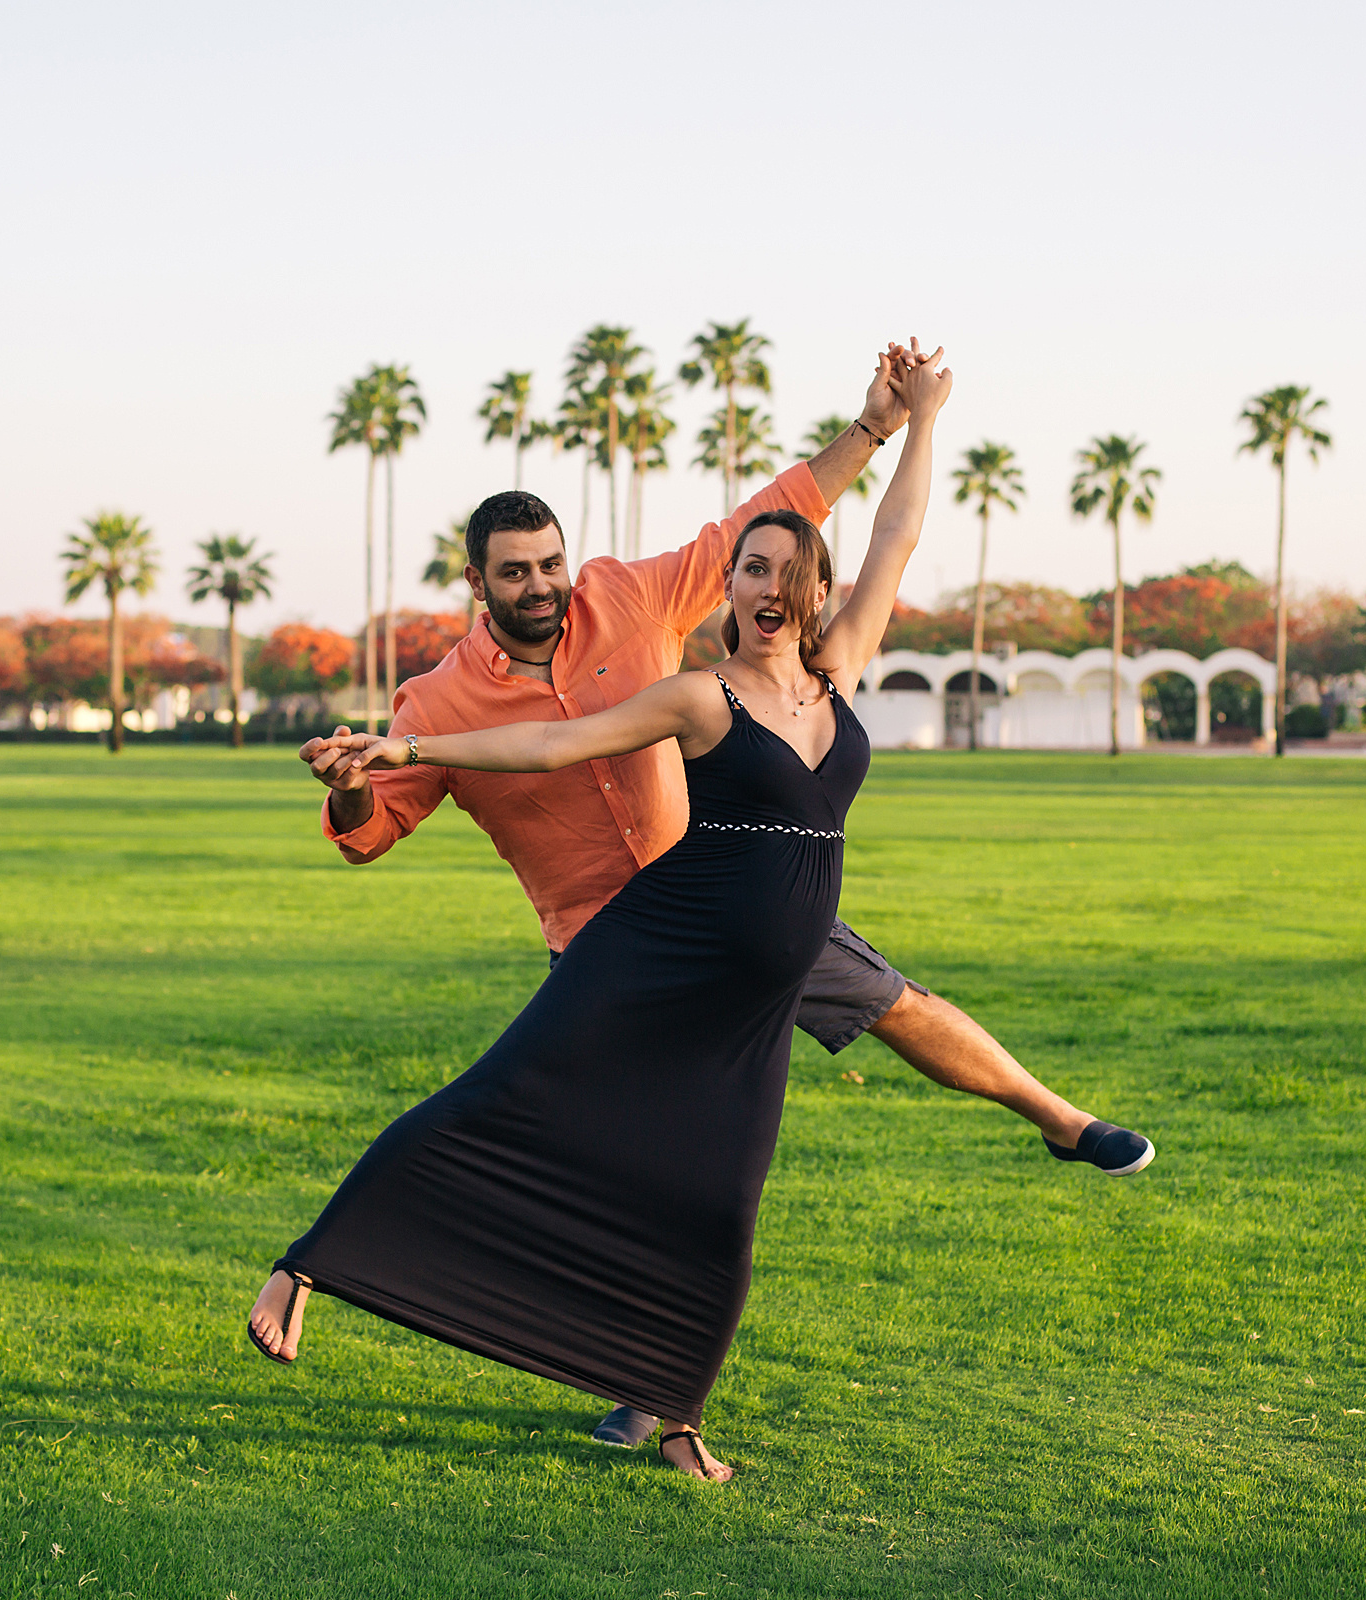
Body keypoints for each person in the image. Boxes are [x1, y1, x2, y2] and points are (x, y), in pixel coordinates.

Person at [294, 340, 1151, 1452]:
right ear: (478, 583)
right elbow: (380, 831)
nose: (543, 585)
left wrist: (887, 424)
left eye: (550, 563)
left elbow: (777, 525)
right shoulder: (443, 697)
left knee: (894, 1001)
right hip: (609, 944)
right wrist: (367, 779)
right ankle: (640, 1378)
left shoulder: (640, 598)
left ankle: (1059, 1118)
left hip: (734, 894)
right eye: (516, 572)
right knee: (636, 1169)